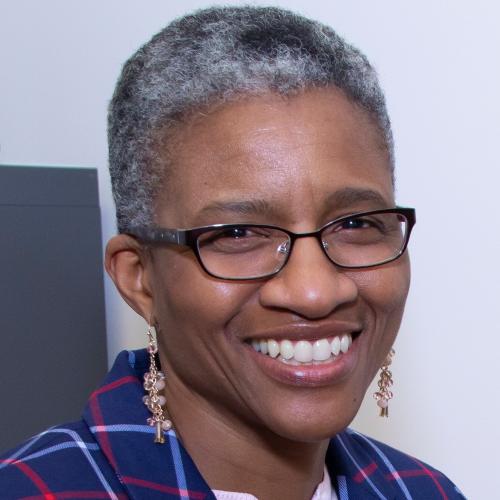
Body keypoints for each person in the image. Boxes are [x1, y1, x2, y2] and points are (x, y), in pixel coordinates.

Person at [0, 6, 465, 499]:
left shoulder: (422, 491)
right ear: (139, 278)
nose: (314, 291)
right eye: (239, 234)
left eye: (356, 224)